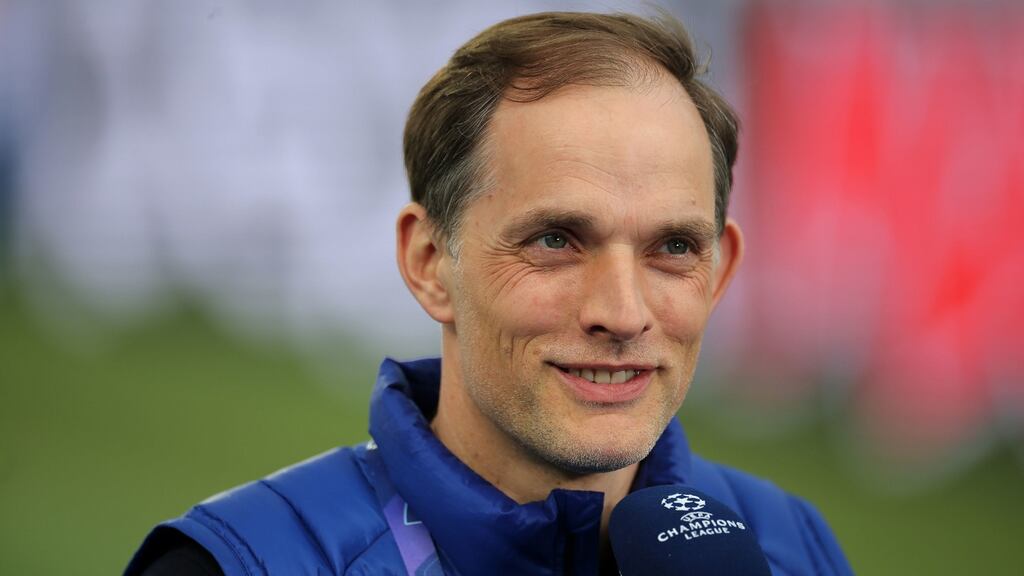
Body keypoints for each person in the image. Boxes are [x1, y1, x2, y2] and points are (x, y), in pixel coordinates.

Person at [126, 11, 853, 575]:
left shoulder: (794, 547)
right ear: (430, 262)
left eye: (672, 249)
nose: (624, 313)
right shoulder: (237, 564)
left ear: (719, 274)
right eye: (556, 240)